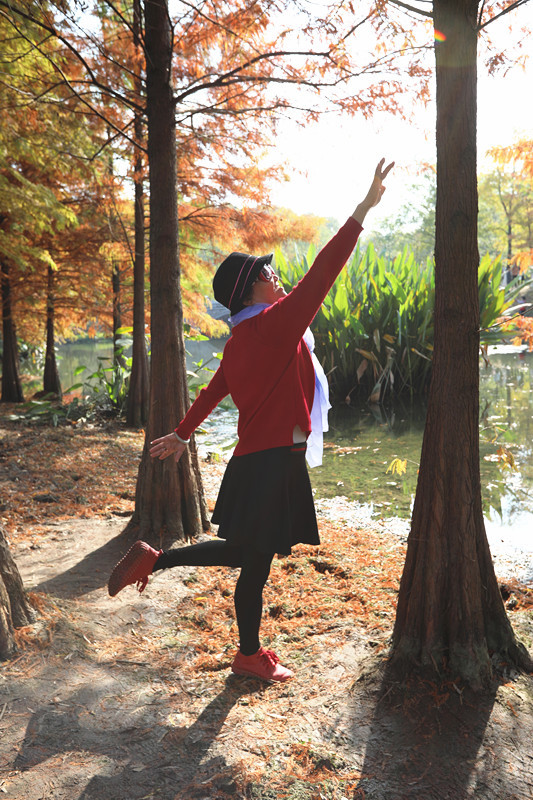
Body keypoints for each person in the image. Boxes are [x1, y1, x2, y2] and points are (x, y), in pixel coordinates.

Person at [108, 158, 394, 683]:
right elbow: (324, 272)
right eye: (268, 273)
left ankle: (244, 650)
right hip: (269, 465)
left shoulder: (243, 337)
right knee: (250, 558)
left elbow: (216, 387)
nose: (277, 276)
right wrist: (361, 210)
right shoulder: (275, 327)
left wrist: (183, 433)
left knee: (252, 562)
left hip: (260, 461)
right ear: (250, 290)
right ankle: (172, 576)